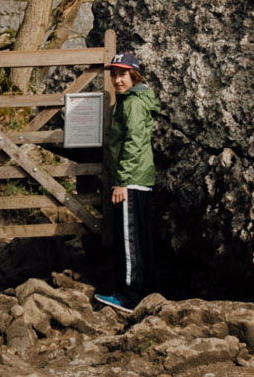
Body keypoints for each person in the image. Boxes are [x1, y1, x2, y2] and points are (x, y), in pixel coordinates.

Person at [95, 51, 158, 313]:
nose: (117, 80)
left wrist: (121, 181)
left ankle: (129, 297)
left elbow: (132, 142)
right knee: (138, 239)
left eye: (122, 74)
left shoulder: (132, 103)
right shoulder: (133, 99)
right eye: (114, 74)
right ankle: (141, 290)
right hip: (137, 178)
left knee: (130, 240)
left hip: (131, 181)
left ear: (134, 75)